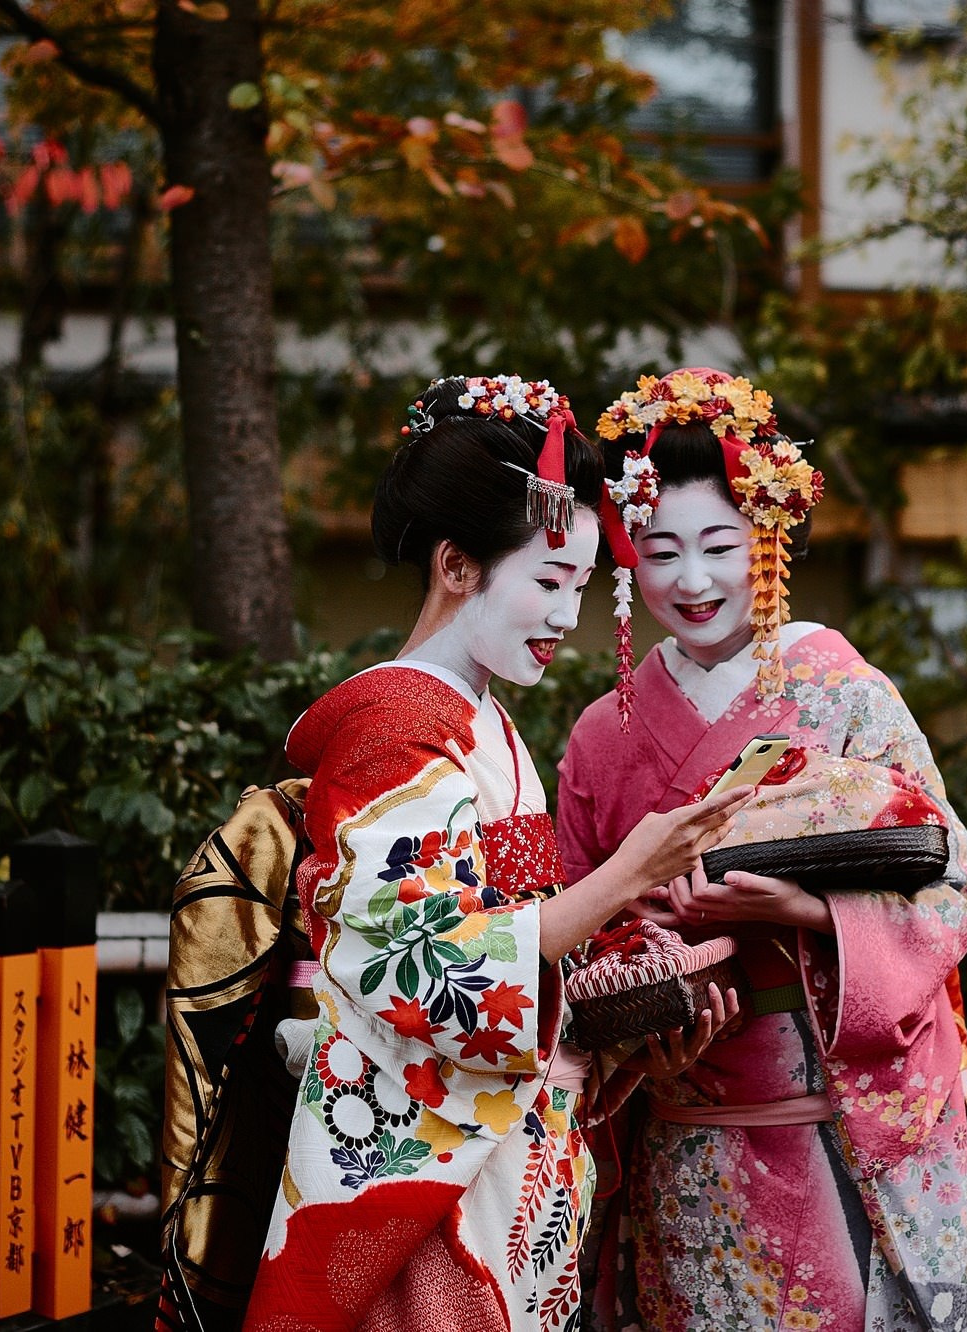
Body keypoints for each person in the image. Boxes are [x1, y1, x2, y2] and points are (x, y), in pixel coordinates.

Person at [244, 374, 751, 1332]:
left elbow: (532, 943)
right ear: (458, 566)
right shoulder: (393, 731)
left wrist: (632, 1011)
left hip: (510, 1160)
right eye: (547, 583)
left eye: (582, 587)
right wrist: (625, 876)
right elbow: (421, 968)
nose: (567, 616)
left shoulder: (486, 726)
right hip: (422, 1174)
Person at [557, 368, 967, 1332]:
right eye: (661, 551)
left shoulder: (844, 695)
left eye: (720, 545)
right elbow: (571, 920)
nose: (693, 580)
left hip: (840, 1123)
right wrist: (636, 970)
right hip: (680, 1117)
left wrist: (796, 912)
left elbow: (954, 884)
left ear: (767, 540)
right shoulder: (601, 734)